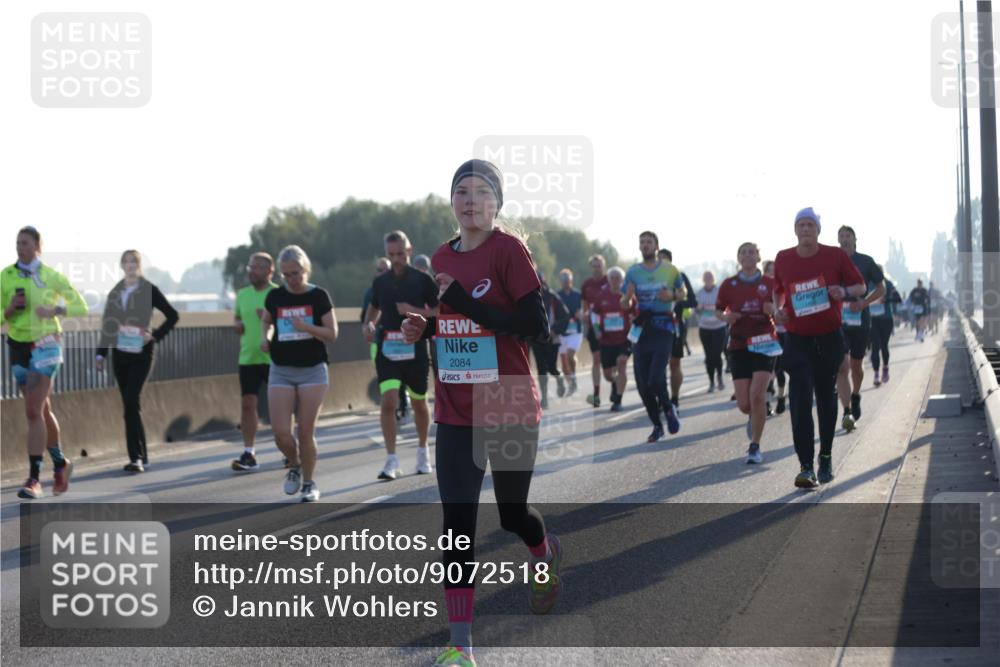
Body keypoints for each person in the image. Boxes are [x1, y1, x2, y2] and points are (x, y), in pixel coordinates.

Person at [400, 159, 562, 667]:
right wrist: (425, 330)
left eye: (480, 192)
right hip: (456, 407)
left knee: (512, 514)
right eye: (461, 193)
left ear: (497, 203)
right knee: (457, 526)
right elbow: (455, 326)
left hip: (509, 401)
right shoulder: (440, 256)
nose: (470, 201)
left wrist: (467, 304)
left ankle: (543, 551)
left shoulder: (509, 251)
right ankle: (461, 645)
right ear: (452, 202)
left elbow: (534, 326)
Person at [773, 208, 866, 488]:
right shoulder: (783, 258)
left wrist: (844, 292)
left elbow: (860, 286)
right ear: (795, 230)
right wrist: (778, 310)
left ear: (818, 230)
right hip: (797, 338)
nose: (805, 229)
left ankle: (825, 457)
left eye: (810, 225)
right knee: (800, 401)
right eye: (801, 225)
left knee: (825, 398)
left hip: (828, 337)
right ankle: (805, 466)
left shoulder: (835, 255)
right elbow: (778, 290)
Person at [2, 226, 88, 499]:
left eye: (25, 243)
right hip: (18, 347)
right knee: (41, 409)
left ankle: (34, 478)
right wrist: (10, 308)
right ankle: (61, 462)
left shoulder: (51, 276)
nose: (20, 247)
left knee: (32, 411)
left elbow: (81, 307)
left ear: (38, 246)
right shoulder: (6, 276)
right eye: (17, 243)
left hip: (46, 345)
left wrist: (55, 310)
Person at [260, 245, 338, 502]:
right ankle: (293, 463)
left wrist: (306, 326)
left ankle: (309, 483)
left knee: (305, 431)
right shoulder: (276, 297)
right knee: (281, 433)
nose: (292, 279)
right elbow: (267, 321)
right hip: (281, 369)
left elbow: (332, 334)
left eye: (296, 273)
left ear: (306, 269)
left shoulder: (319, 296)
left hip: (312, 371)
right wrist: (266, 337)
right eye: (286, 275)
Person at [363, 230, 438, 480]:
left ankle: (422, 451)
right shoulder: (380, 282)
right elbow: (373, 308)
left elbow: (439, 310)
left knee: (418, 402)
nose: (396, 259)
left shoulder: (422, 279)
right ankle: (392, 459)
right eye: (391, 255)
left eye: (400, 254)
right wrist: (368, 324)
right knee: (388, 401)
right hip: (388, 349)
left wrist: (412, 310)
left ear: (409, 250)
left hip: (415, 347)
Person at [96, 250, 180, 473]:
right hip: (121, 354)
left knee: (132, 399)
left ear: (139, 266)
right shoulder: (116, 291)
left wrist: (155, 335)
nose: (130, 266)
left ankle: (137, 458)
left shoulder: (149, 289)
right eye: (126, 262)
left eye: (134, 262)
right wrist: (100, 354)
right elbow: (108, 324)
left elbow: (173, 315)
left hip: (142, 353)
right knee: (129, 406)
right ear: (122, 266)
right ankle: (142, 455)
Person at [716, 243, 780, 464]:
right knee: (744, 404)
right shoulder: (728, 284)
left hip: (764, 342)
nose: (748, 256)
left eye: (752, 252)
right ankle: (754, 414)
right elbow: (718, 309)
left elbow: (782, 309)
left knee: (757, 395)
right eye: (743, 252)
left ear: (759, 257)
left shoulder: (770, 283)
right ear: (738, 258)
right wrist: (726, 318)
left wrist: (774, 311)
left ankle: (755, 446)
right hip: (739, 344)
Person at [624, 232, 684, 443]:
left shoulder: (670, 270)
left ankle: (668, 408)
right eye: (642, 242)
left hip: (664, 327)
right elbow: (624, 304)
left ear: (656, 246)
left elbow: (683, 293)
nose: (645, 245)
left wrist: (672, 296)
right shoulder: (632, 273)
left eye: (649, 242)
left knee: (655, 378)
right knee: (643, 386)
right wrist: (628, 298)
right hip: (642, 330)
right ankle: (657, 425)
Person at [230, 252, 278, 472]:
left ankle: (288, 449)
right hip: (248, 357)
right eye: (251, 266)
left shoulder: (278, 293)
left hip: (274, 357)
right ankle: (249, 453)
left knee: (281, 406)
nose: (252, 270)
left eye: (258, 267)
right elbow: (238, 317)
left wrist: (269, 319)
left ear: (270, 271)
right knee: (248, 404)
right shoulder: (242, 295)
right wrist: (238, 324)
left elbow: (288, 323)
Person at [834, 225, 885, 432]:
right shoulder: (832, 260)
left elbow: (882, 288)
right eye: (841, 236)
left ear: (855, 239)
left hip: (861, 319)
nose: (845, 239)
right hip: (838, 321)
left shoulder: (866, 261)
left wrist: (864, 303)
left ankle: (856, 394)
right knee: (842, 365)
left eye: (848, 236)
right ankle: (846, 411)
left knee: (856, 365)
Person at [590, 266, 634, 411]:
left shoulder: (628, 296)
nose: (615, 280)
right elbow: (594, 315)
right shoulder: (601, 296)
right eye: (612, 278)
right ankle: (616, 383)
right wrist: (596, 330)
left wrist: (634, 335)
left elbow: (636, 314)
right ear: (608, 280)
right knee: (608, 375)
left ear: (622, 280)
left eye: (618, 278)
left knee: (621, 363)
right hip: (606, 340)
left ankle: (618, 401)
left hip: (624, 339)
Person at [659, 248, 697, 413]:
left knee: (674, 363)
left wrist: (677, 301)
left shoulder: (680, 277)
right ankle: (662, 397)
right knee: (659, 365)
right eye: (658, 259)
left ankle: (674, 398)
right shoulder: (650, 279)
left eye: (664, 259)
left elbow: (693, 301)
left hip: (676, 325)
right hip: (656, 326)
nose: (661, 262)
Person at [531, 269, 570, 409]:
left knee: (552, 368)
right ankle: (545, 398)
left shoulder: (552, 297)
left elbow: (565, 316)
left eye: (539, 283)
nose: (537, 286)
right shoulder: (527, 298)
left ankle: (559, 378)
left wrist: (554, 331)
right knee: (541, 369)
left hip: (552, 339)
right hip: (537, 339)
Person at [580, 254, 610, 407]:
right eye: (594, 265)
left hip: (611, 326)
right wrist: (585, 316)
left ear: (603, 266)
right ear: (591, 267)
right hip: (594, 326)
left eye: (599, 265)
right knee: (596, 359)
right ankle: (596, 394)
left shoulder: (610, 281)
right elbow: (585, 306)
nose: (597, 268)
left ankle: (614, 382)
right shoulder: (586, 285)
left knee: (610, 364)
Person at [696, 270, 727, 393]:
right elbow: (695, 311)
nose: (708, 279)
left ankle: (719, 376)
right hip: (705, 328)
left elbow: (725, 306)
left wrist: (721, 313)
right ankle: (711, 382)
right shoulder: (699, 293)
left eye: (710, 277)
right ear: (703, 280)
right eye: (706, 277)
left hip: (719, 326)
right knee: (708, 356)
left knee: (716, 354)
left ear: (713, 279)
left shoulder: (719, 291)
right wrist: (699, 312)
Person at [763, 260, 787, 413]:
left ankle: (781, 397)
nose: (772, 275)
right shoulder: (761, 289)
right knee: (766, 369)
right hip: (767, 333)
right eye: (769, 272)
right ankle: (765, 402)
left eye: (774, 272)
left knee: (780, 369)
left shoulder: (783, 287)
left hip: (784, 332)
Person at [556, 268, 583, 396]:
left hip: (575, 331)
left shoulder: (578, 295)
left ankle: (574, 377)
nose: (566, 281)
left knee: (571, 355)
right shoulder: (557, 296)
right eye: (563, 279)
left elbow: (585, 309)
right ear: (560, 281)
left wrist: (581, 313)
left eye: (567, 278)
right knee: (564, 364)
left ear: (571, 280)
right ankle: (572, 384)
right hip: (562, 333)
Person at [869, 269, 898, 387]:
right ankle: (876, 374)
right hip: (872, 320)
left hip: (886, 319)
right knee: (875, 347)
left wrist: (884, 300)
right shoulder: (867, 283)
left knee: (884, 345)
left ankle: (885, 368)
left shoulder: (888, 283)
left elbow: (897, 299)